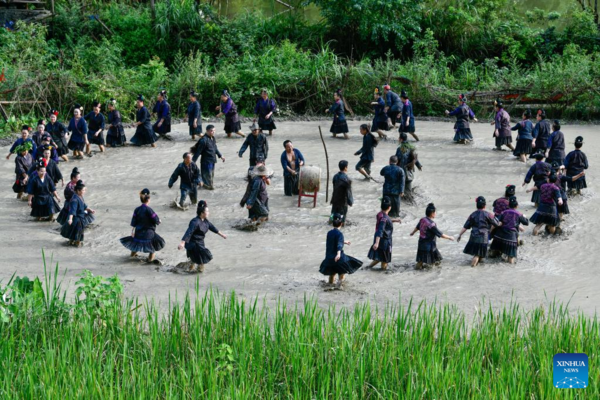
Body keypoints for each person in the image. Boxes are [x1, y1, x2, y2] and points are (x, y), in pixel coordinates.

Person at [178, 200, 227, 273]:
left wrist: (222, 234)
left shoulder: (205, 220)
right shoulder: (195, 222)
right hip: (193, 244)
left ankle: (191, 269)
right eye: (207, 211)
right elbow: (189, 232)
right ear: (202, 213)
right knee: (201, 260)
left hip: (200, 242)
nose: (209, 213)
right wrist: (182, 242)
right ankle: (196, 273)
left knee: (196, 260)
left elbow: (212, 227)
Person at [120, 188, 165, 262]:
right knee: (152, 247)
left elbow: (133, 222)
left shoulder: (137, 209)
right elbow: (156, 220)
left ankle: (132, 256)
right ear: (148, 199)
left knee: (135, 246)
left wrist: (133, 231)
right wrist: (159, 221)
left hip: (138, 232)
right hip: (149, 233)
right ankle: (150, 260)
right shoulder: (149, 210)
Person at [319, 214, 363, 288]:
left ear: (332, 223)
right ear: (341, 223)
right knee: (342, 272)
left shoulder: (329, 233)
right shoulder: (340, 234)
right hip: (338, 258)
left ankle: (330, 285)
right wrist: (338, 254)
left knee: (332, 274)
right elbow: (339, 244)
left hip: (329, 258)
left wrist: (344, 242)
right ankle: (339, 286)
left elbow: (334, 242)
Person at [457, 196, 500, 267]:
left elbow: (465, 227)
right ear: (485, 205)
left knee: (478, 254)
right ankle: (472, 267)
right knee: (477, 255)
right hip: (483, 238)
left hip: (473, 238)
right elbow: (496, 224)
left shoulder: (472, 215)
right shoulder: (488, 214)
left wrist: (459, 235)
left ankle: (476, 267)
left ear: (476, 205)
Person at [410, 203, 454, 269]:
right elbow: (440, 234)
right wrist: (449, 237)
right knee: (432, 262)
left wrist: (412, 232)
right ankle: (430, 274)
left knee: (421, 260)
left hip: (421, 243)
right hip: (429, 246)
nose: (435, 213)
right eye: (435, 212)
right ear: (432, 213)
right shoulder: (431, 224)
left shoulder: (423, 219)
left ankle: (417, 270)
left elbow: (417, 227)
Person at [489, 196, 529, 264]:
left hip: (499, 237)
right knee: (511, 259)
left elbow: (495, 222)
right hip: (511, 238)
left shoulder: (503, 212)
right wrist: (524, 216)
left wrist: (490, 231)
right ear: (516, 206)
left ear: (509, 205)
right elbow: (526, 223)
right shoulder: (519, 214)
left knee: (492, 254)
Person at [366, 197, 401, 270]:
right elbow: (380, 229)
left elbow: (385, 220)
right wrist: (377, 243)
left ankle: (368, 267)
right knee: (385, 259)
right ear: (389, 207)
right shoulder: (384, 218)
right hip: (384, 240)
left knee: (380, 256)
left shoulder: (380, 214)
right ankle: (382, 273)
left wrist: (394, 220)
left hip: (380, 238)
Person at [60, 180, 95, 247]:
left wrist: (89, 209)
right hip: (76, 219)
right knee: (78, 234)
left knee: (74, 233)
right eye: (83, 190)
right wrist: (70, 219)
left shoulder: (80, 196)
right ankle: (77, 244)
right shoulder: (74, 199)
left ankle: (72, 242)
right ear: (78, 191)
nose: (85, 191)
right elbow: (72, 210)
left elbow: (83, 205)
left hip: (80, 217)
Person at [191, 124, 225, 190]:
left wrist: (220, 156)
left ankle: (206, 186)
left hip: (212, 161)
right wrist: (192, 162)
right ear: (207, 131)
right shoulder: (203, 140)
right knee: (207, 176)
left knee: (211, 175)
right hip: (205, 162)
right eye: (212, 131)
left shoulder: (213, 138)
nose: (213, 132)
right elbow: (198, 152)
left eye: (214, 130)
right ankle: (207, 187)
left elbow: (215, 148)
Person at [330, 160, 353, 225]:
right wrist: (350, 201)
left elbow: (335, 188)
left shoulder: (335, 176)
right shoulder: (346, 179)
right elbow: (348, 191)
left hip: (335, 199)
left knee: (333, 214)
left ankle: (331, 221)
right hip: (343, 201)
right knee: (342, 217)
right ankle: (341, 224)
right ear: (345, 168)